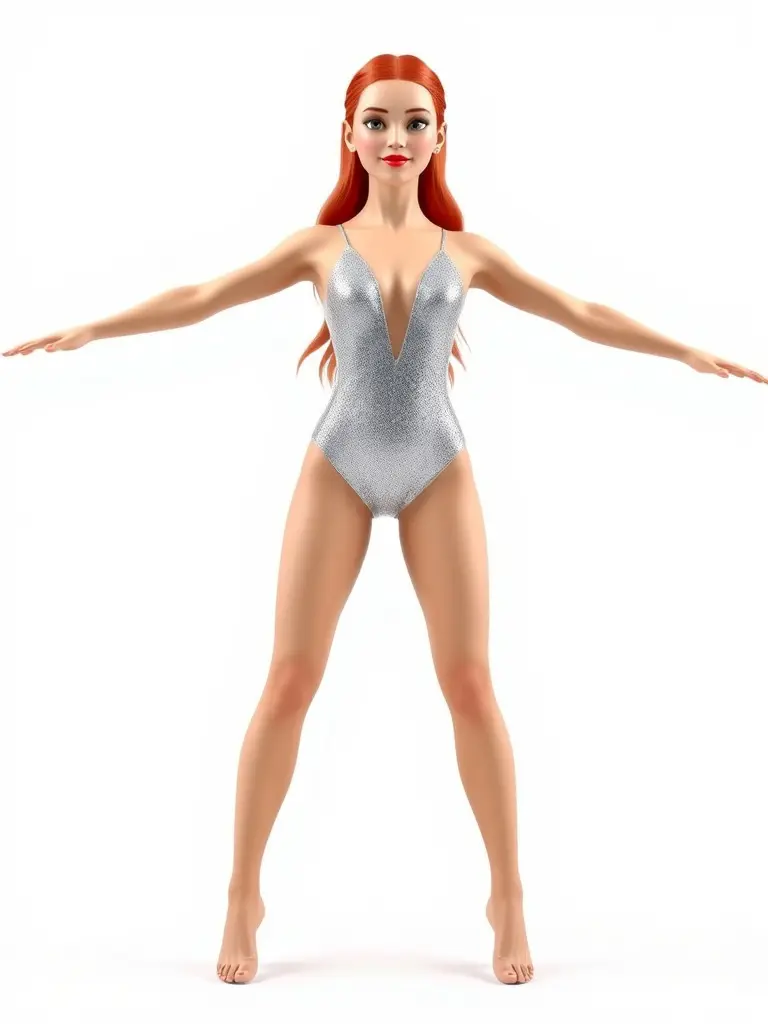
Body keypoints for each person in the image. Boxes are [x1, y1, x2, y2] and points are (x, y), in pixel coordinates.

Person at [5, 53, 765, 988]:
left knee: (471, 683)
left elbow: (578, 310)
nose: (395, 138)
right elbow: (203, 296)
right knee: (289, 678)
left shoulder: (467, 252)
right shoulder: (319, 247)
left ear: (440, 136)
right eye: (377, 121)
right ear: (349, 134)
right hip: (339, 463)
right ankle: (243, 893)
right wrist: (93, 327)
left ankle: (508, 895)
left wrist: (684, 350)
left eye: (413, 122)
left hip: (438, 464)